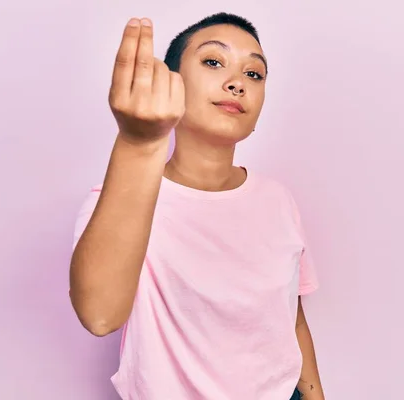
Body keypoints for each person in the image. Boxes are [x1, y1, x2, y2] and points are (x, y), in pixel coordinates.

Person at [69, 12, 325, 400]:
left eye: (254, 74)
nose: (237, 83)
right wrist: (139, 144)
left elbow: (291, 318)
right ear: (172, 84)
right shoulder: (121, 198)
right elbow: (100, 315)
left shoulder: (278, 200)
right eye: (213, 62)